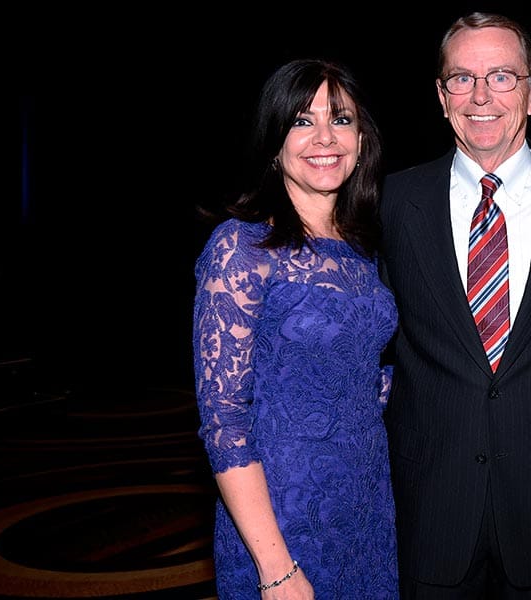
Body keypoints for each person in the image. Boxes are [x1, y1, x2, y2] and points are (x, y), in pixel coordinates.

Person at [378, 11, 531, 600]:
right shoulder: (393, 201)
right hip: (430, 508)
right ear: (441, 95)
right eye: (462, 78)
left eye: (502, 76)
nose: (481, 96)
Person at [192, 58, 398, 599]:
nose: (325, 138)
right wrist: (276, 568)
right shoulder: (241, 248)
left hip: (367, 514)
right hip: (279, 526)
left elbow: (361, 377)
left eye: (341, 119)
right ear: (274, 139)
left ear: (362, 138)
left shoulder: (362, 250)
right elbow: (224, 422)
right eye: (303, 121)